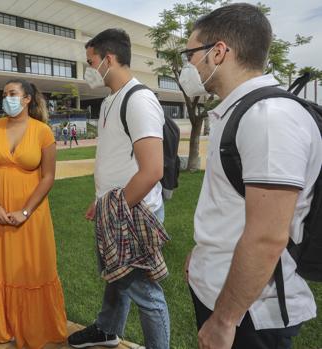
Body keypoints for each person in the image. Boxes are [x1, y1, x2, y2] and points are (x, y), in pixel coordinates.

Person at [182, 4, 320, 349]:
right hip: (222, 290)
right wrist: (202, 256)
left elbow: (266, 237)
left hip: (250, 315)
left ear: (218, 52)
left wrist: (225, 320)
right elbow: (231, 203)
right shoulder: (241, 112)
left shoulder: (269, 118)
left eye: (190, 54)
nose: (188, 66)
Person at [67, 28, 170, 349]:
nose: (88, 69)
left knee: (147, 293)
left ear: (108, 59)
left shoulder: (139, 100)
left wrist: (112, 210)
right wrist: (100, 202)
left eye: (90, 61)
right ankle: (108, 328)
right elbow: (117, 160)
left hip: (133, 212)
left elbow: (152, 170)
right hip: (114, 207)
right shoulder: (111, 100)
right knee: (117, 274)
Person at [0, 79, 68, 348]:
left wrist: (25, 211)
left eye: (12, 94)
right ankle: (0, 321)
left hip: (32, 213)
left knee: (31, 267)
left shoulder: (43, 132)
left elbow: (48, 177)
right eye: (4, 94)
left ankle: (32, 323)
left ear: (27, 99)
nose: (7, 99)